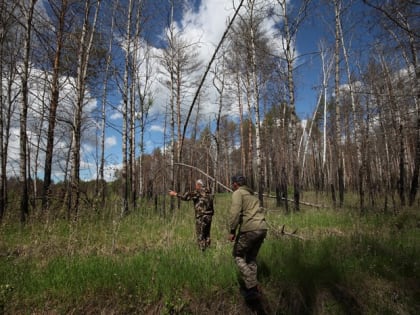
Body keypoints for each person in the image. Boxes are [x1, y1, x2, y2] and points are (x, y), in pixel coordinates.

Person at [228, 174, 267, 298]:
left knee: (238, 255)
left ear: (235, 184)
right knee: (251, 257)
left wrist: (232, 231)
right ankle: (252, 291)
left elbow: (235, 212)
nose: (231, 186)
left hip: (250, 229)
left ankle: (252, 285)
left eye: (232, 183)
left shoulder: (238, 193)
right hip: (262, 228)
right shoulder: (252, 195)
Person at [169, 179, 214, 251]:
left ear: (199, 185)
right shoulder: (209, 193)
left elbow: (185, 197)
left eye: (196, 185)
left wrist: (175, 194)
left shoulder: (197, 192)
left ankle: (202, 252)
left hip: (201, 217)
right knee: (207, 235)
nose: (195, 187)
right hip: (209, 216)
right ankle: (208, 250)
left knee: (200, 235)